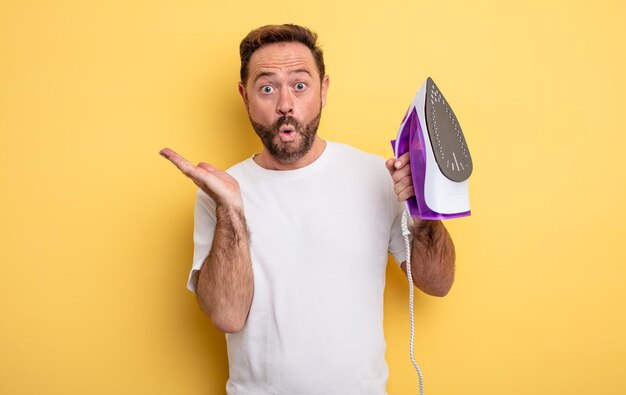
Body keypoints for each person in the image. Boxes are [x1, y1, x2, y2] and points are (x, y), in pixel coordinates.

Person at [160, 24, 455, 395]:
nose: (285, 104)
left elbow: (438, 283)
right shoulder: (220, 193)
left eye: (300, 85)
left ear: (324, 90)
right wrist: (231, 210)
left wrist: (422, 210)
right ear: (245, 97)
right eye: (267, 88)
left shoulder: (378, 176)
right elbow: (227, 316)